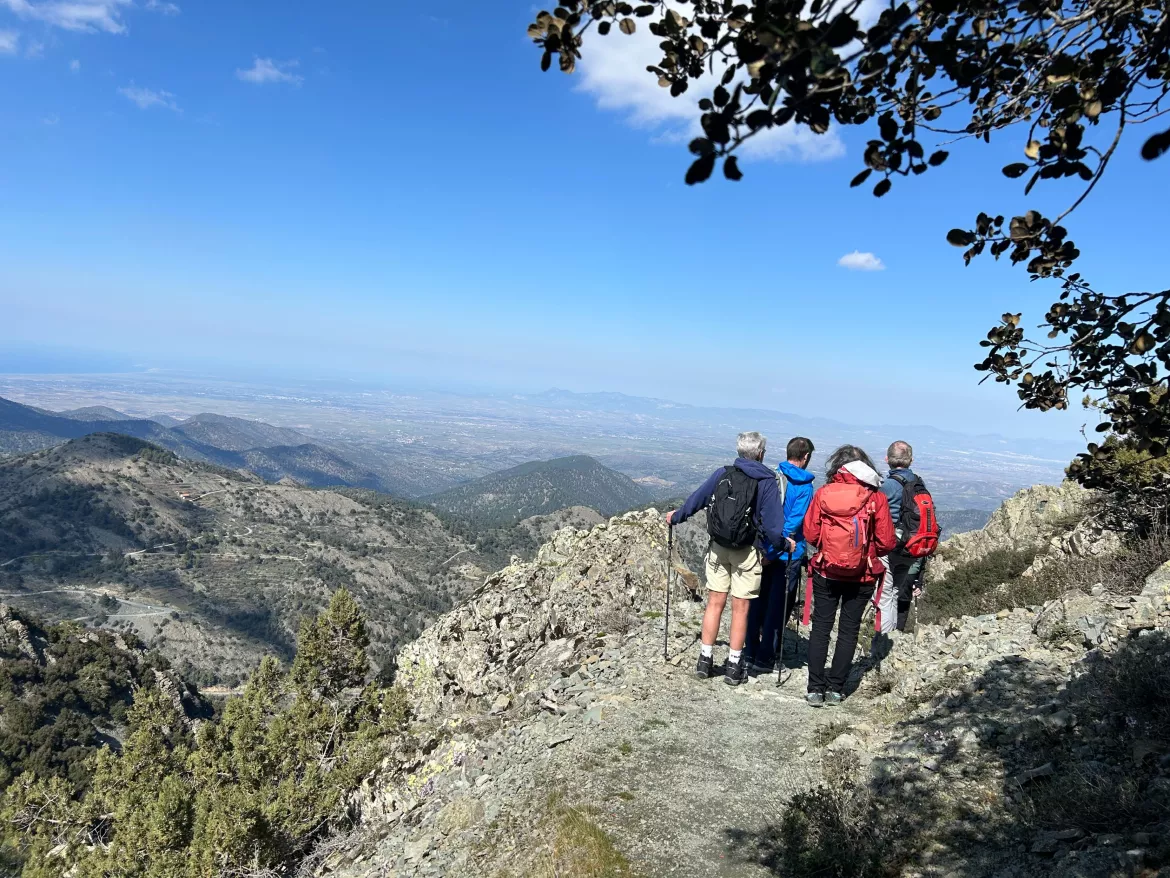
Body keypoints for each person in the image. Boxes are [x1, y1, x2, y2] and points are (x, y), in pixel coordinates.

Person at [667, 431, 788, 686]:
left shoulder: (722, 474)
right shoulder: (766, 482)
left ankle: (704, 659)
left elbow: (697, 500)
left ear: (739, 452)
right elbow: (774, 527)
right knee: (740, 608)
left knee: (714, 602)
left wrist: (676, 517)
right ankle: (733, 666)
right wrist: (783, 545)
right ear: (761, 454)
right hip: (747, 551)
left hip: (718, 547)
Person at [802, 445, 896, 706]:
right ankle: (835, 689)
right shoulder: (876, 498)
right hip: (862, 575)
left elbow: (810, 533)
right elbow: (887, 542)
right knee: (848, 630)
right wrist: (866, 550)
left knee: (821, 628)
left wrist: (829, 547)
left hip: (826, 571)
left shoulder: (824, 493)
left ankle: (815, 688)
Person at [744, 436, 816, 673]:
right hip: (788, 555)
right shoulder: (804, 486)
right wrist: (777, 551)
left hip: (764, 550)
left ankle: (749, 650)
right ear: (806, 457)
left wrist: (767, 551)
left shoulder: (772, 476)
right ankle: (766, 657)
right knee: (779, 606)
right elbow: (793, 523)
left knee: (757, 600)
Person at [880, 440, 926, 631]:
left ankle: (883, 641)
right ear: (911, 460)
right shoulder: (919, 483)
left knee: (884, 596)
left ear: (887, 459)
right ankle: (891, 636)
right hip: (912, 547)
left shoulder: (888, 486)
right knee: (895, 591)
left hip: (890, 546)